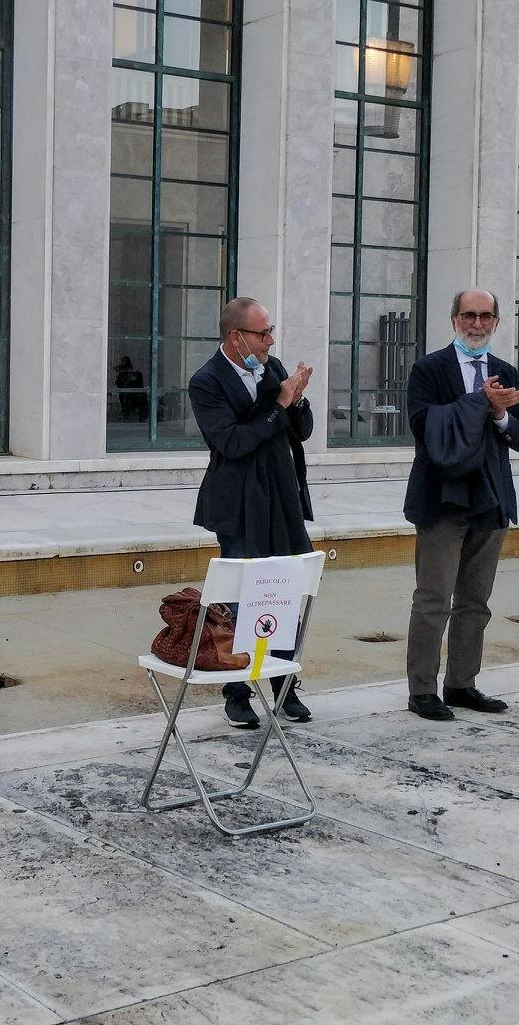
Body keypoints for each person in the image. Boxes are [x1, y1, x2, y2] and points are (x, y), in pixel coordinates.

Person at [402, 289, 519, 721]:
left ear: (497, 322)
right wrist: (482, 402)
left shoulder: (505, 371)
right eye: (468, 315)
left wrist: (499, 415)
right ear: (454, 319)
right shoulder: (429, 369)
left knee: (475, 600)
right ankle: (422, 691)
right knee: (433, 599)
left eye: (485, 316)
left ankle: (461, 684)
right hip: (442, 498)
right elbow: (424, 428)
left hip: (491, 497)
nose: (476, 324)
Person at [188, 297, 316, 729]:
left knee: (284, 588)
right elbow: (233, 443)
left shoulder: (274, 368)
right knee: (240, 596)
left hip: (282, 494)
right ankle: (237, 691)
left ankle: (283, 686)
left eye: (271, 332)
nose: (270, 341)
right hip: (238, 501)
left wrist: (296, 400)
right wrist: (279, 404)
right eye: (262, 334)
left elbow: (303, 432)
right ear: (235, 336)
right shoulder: (206, 381)